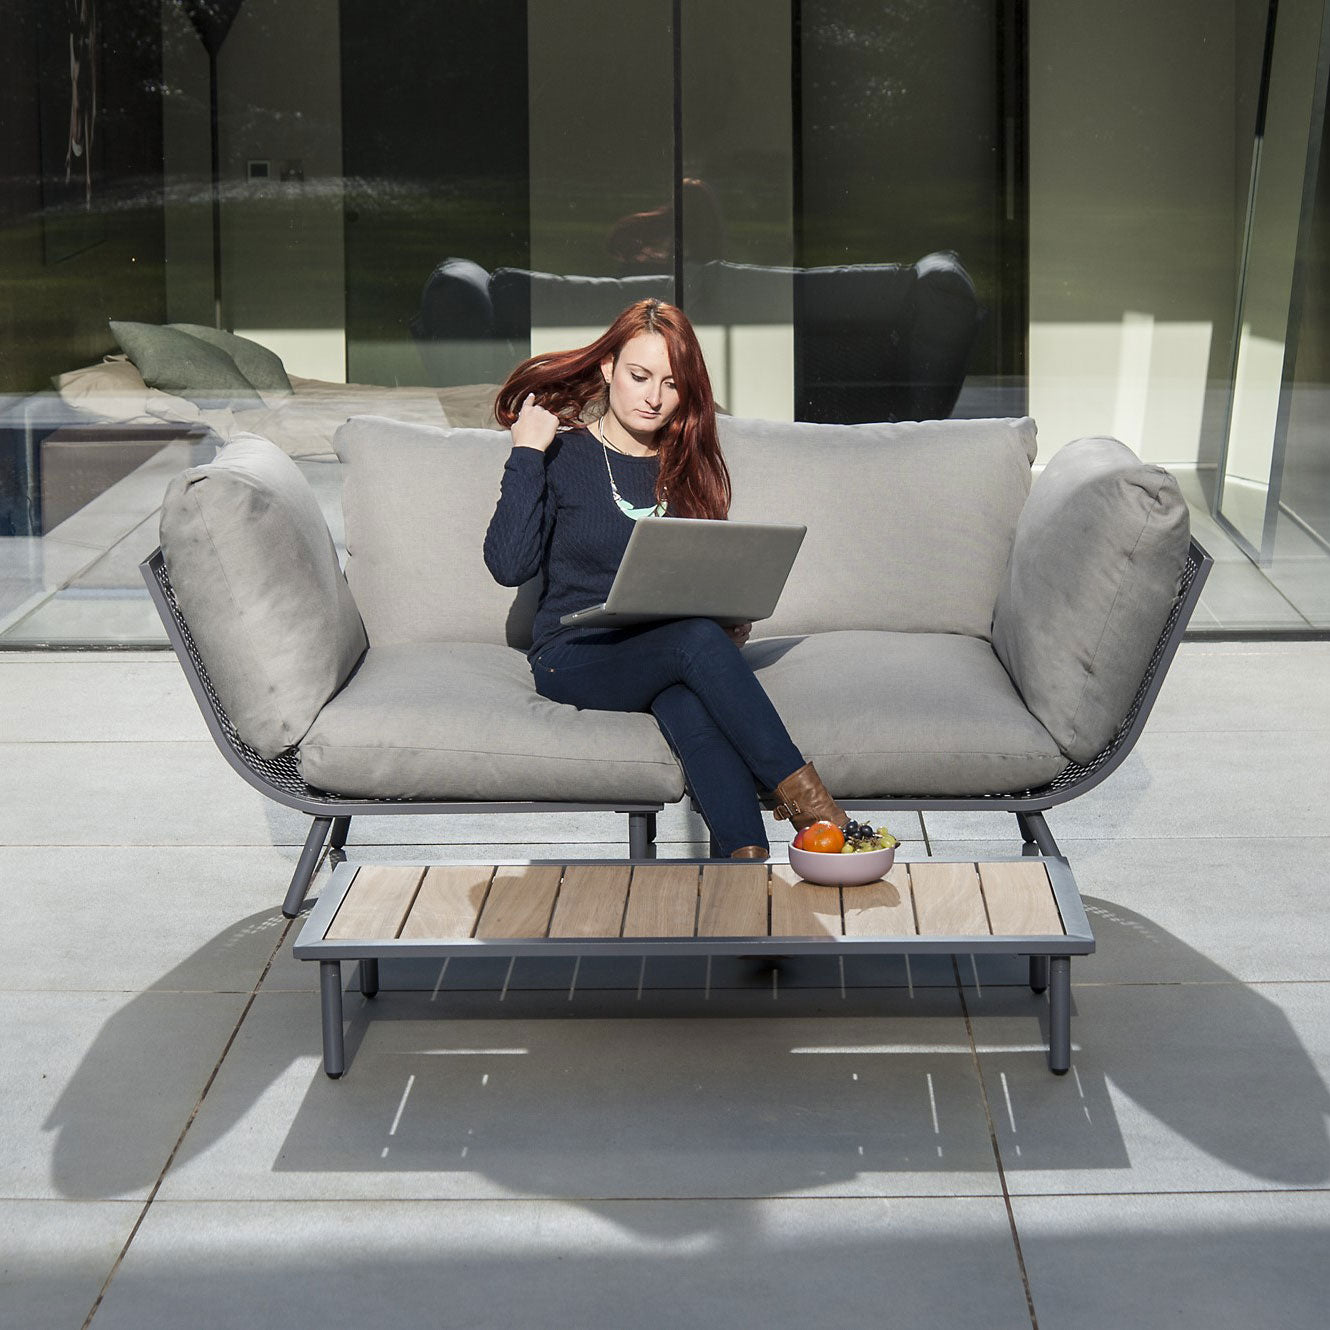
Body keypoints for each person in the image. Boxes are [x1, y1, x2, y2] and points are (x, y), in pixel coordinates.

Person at [483, 298, 847, 859]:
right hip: (574, 655)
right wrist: (527, 453)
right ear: (607, 368)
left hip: (667, 651)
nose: (654, 397)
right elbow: (509, 565)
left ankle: (744, 866)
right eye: (639, 376)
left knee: (690, 704)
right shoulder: (564, 454)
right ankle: (817, 811)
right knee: (693, 643)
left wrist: (730, 612)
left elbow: (701, 572)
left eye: (672, 384)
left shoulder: (685, 462)